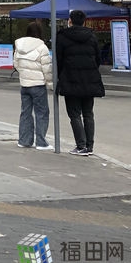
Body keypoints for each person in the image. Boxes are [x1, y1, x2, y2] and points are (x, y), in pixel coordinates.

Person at [56, 9, 104, 156]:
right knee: (88, 113)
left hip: (70, 79)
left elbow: (59, 60)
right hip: (90, 79)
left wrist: (61, 76)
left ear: (70, 21)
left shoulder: (62, 37)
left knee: (74, 114)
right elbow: (98, 59)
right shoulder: (92, 36)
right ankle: (89, 146)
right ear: (84, 21)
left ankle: (81, 145)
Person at [14, 22, 53, 150]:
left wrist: (24, 74)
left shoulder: (19, 46)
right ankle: (41, 142)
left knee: (25, 113)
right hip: (38, 85)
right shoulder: (42, 47)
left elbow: (16, 64)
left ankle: (24, 140)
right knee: (41, 113)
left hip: (24, 84)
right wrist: (51, 84)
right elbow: (47, 69)